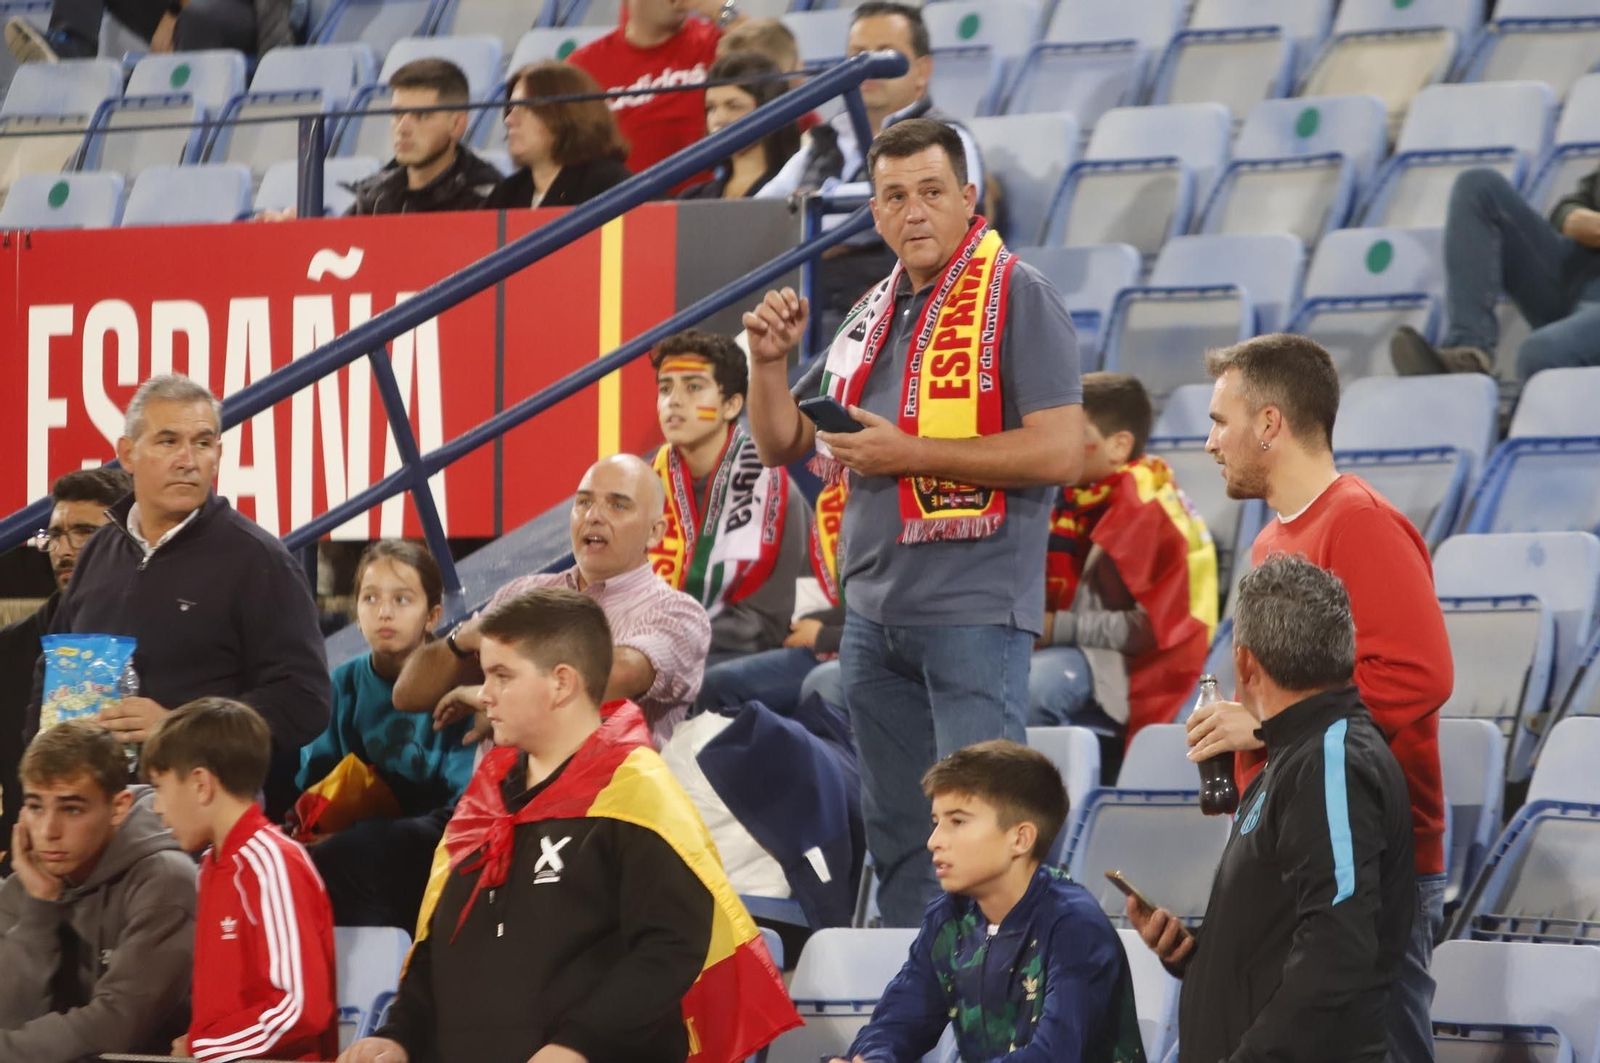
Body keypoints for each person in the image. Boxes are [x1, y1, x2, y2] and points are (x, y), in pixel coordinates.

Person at [743, 118, 1084, 927]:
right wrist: (767, 363)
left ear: (969, 198)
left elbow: (1062, 450)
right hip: (873, 616)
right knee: (903, 840)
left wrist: (911, 454)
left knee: (988, 837)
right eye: (894, 197)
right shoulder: (871, 310)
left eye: (932, 192)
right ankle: (915, 1024)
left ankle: (1007, 1026)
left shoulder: (1019, 294)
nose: (914, 212)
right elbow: (787, 438)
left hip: (971, 608)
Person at [339, 588, 798, 1063]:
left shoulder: (637, 798)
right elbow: (438, 948)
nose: (485, 694)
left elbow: (671, 948)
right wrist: (397, 1035)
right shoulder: (483, 804)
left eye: (501, 675)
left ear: (561, 683)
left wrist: (578, 1046)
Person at [1185, 333, 1453, 1063]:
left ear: (1269, 424)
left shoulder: (1358, 519)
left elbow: (1419, 672)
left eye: (1220, 421)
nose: (1209, 442)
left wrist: (1266, 728)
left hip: (1369, 857)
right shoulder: (1271, 541)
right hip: (1295, 853)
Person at [1132, 556, 1416, 1063]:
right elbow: (1285, 939)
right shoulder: (1297, 756)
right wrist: (1195, 957)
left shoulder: (1333, 763)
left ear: (1244, 663)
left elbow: (1339, 949)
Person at [25, 374, 332, 819]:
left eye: (203, 443)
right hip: (87, 816)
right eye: (168, 442)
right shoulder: (98, 553)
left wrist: (180, 725)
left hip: (196, 826)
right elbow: (50, 669)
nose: (188, 460)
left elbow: (305, 701)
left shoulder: (260, 561)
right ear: (127, 454)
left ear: (218, 455)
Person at [836, 740, 1146, 1062]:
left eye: (957, 821)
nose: (934, 841)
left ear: (1020, 838)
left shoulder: (1075, 926)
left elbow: (1052, 1056)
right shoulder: (947, 917)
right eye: (935, 823)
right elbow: (895, 1023)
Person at [394, 454, 711, 746]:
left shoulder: (678, 613)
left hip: (597, 803)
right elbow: (407, 695)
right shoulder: (522, 591)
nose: (594, 516)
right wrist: (461, 639)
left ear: (655, 533)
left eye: (618, 505)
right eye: (584, 502)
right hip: (486, 804)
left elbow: (616, 676)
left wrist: (489, 692)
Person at [756, 3, 985, 339]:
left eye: (885, 54)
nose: (868, 66)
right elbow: (758, 213)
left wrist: (810, 216)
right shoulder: (821, 141)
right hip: (806, 311)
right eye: (858, 54)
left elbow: (941, 224)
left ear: (922, 71)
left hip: (903, 316)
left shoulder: (947, 138)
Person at [144, 697, 338, 1063]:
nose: (156, 807)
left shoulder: (271, 861)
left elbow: (299, 1008)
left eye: (159, 787)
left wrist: (204, 1047)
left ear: (201, 784)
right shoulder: (212, 866)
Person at [295, 540, 475, 929]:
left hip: (433, 846)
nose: (384, 612)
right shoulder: (342, 684)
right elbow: (315, 787)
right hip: (347, 846)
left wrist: (358, 839)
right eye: (370, 598)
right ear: (356, 614)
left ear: (433, 616)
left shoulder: (460, 684)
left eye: (402, 600)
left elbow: (460, 808)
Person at [1034, 372, 1217, 748]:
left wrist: (1056, 628)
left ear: (1118, 446)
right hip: (1057, 643)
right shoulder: (1066, 494)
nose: (1057, 444)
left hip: (1124, 666)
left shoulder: (1148, 512)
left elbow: (1151, 629)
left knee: (1030, 689)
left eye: (1073, 434)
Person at [0, 720, 196, 1061]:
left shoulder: (166, 881)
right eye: (35, 806)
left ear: (118, 807)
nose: (48, 831)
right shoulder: (27, 879)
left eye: (72, 809)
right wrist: (39, 906)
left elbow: (118, 1025)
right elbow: (9, 1016)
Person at [0, 467, 131, 872]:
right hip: (28, 863)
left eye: (85, 532)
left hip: (131, 857)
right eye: (56, 535)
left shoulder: (160, 637)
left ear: (128, 539)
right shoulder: (8, 649)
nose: (65, 550)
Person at [649, 327, 805, 662]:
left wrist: (662, 650)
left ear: (732, 404)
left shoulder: (773, 492)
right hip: (652, 646)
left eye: (693, 387)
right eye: (665, 389)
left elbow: (765, 625)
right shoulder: (644, 484)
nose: (673, 401)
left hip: (743, 653)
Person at [1391, 166, 1600, 380]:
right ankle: (1467, 354)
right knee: (1478, 186)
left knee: (1540, 354)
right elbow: (1568, 208)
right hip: (1575, 273)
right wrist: (1572, 218)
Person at [568, 0, 747, 188]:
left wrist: (722, 8)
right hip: (621, 206)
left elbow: (770, 64)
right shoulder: (584, 65)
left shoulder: (716, 40)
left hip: (707, 202)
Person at [345, 59, 504, 216]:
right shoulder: (374, 197)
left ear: (457, 125)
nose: (402, 129)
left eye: (421, 115)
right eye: (397, 114)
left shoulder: (491, 199)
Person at [484, 61, 633, 210]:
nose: (509, 120)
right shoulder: (506, 194)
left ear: (567, 114)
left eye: (526, 107)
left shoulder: (611, 186)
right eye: (511, 108)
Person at [679, 52, 802, 200]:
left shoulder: (793, 192)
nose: (718, 119)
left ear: (769, 110)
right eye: (711, 108)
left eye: (734, 106)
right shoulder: (693, 198)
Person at [6, 0, 289, 62]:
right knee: (193, 16)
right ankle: (70, 46)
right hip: (185, 9)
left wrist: (175, 12)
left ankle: (191, 134)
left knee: (196, 18)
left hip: (249, 15)